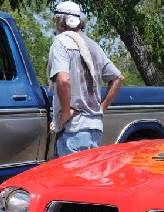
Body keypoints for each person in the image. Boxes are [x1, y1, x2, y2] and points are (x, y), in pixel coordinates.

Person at [48, 1, 125, 157]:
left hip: (73, 129)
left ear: (59, 20)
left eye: (55, 19)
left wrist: (64, 114)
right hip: (94, 129)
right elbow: (118, 78)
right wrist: (100, 108)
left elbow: (63, 80)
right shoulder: (94, 46)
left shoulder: (61, 42)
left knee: (69, 180)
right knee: (87, 180)